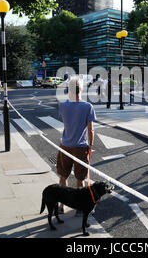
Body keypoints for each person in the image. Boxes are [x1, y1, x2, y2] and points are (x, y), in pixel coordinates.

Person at [56, 76, 96, 216]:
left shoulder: (62, 105)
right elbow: (90, 130)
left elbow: (66, 121)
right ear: (82, 90)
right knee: (80, 179)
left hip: (65, 145)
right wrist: (90, 145)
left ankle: (61, 205)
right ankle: (79, 207)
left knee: (63, 176)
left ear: (69, 90)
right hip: (81, 147)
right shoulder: (87, 107)